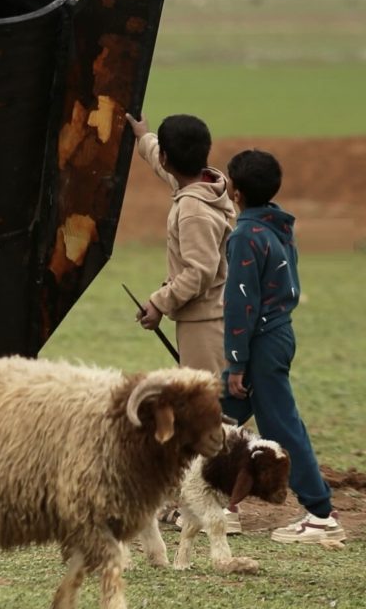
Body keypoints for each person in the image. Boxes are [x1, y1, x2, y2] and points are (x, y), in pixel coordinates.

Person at [221, 149, 344, 544]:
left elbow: (241, 303)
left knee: (281, 428)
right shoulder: (277, 226)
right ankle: (203, 501)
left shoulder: (244, 236)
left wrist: (236, 362)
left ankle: (320, 514)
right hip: (277, 334)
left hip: (261, 343)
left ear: (235, 192)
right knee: (218, 418)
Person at [125, 113, 235, 377]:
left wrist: (159, 302)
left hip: (204, 325)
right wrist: (144, 137)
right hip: (213, 314)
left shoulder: (193, 210)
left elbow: (200, 271)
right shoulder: (205, 184)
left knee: (208, 407)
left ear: (167, 157)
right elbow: (163, 165)